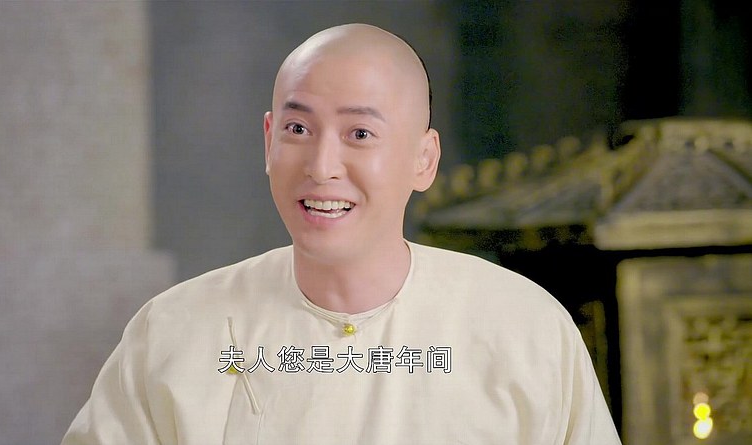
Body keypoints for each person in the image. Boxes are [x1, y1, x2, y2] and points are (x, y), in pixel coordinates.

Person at [62, 23, 621, 444]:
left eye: (359, 133)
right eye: (298, 128)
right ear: (268, 141)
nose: (322, 166)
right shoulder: (174, 333)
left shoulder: (522, 329)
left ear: (423, 159)